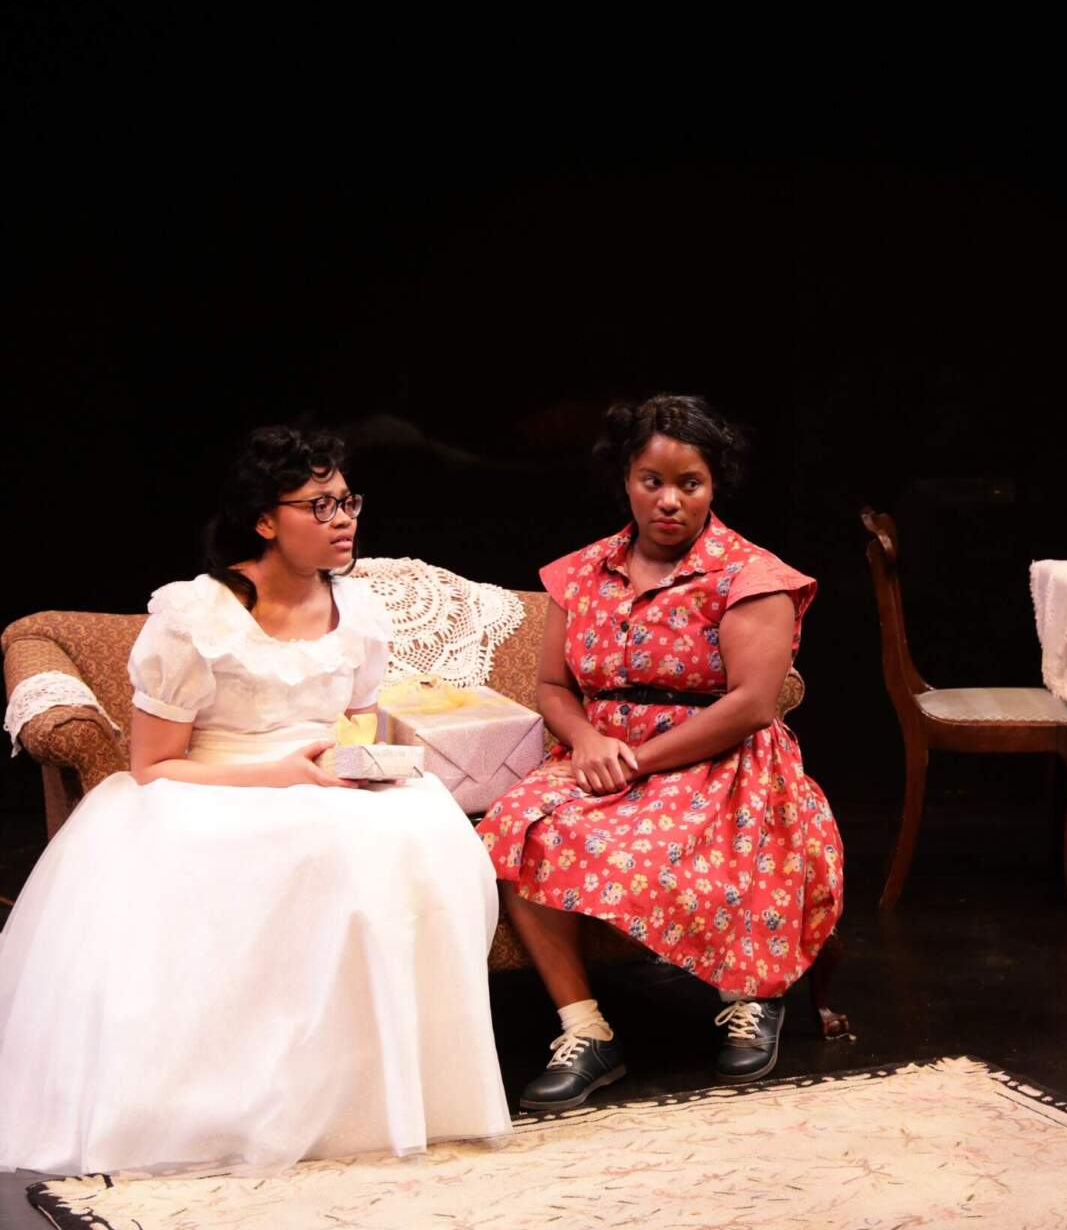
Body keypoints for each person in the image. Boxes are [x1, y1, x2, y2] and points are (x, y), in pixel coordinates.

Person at [0, 427, 511, 1176]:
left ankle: (379, 1097)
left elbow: (352, 716)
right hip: (211, 789)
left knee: (420, 834)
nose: (344, 519)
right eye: (320, 505)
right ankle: (244, 1106)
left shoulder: (358, 611)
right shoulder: (195, 620)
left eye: (348, 501)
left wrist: (362, 759)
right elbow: (153, 766)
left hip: (321, 778)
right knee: (309, 850)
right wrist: (283, 776)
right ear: (266, 520)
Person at [477, 395, 844, 1110]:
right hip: (603, 754)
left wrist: (639, 762)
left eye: (690, 484)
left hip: (718, 756)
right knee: (516, 826)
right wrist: (587, 740)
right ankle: (585, 1028)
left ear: (715, 486)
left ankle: (753, 992)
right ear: (624, 479)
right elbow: (554, 685)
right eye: (652, 482)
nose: (670, 501)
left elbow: (751, 705)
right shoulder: (580, 573)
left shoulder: (751, 576)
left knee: (714, 835)